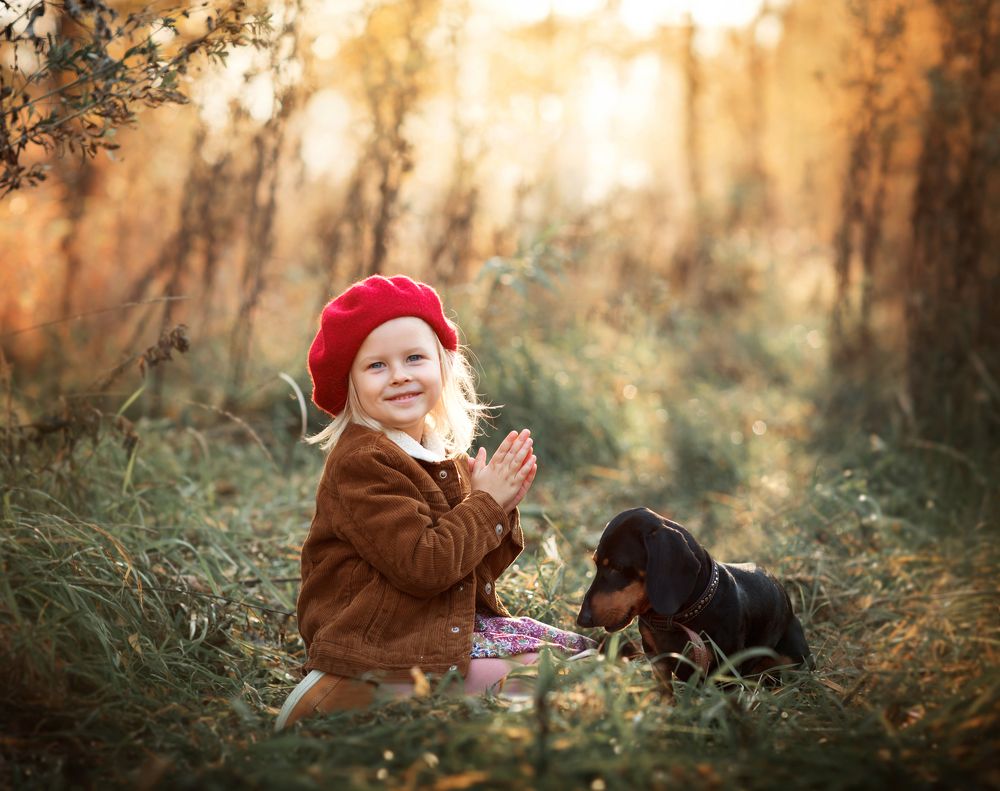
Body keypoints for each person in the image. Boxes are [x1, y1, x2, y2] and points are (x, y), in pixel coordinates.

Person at [276, 275, 594, 730]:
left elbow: (467, 573)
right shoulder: (364, 461)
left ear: (444, 367)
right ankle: (339, 694)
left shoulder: (432, 453)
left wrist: (498, 506)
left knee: (577, 655)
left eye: (414, 358)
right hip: (376, 643)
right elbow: (425, 566)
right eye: (377, 366)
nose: (401, 374)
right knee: (547, 679)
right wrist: (485, 504)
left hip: (422, 626)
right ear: (349, 384)